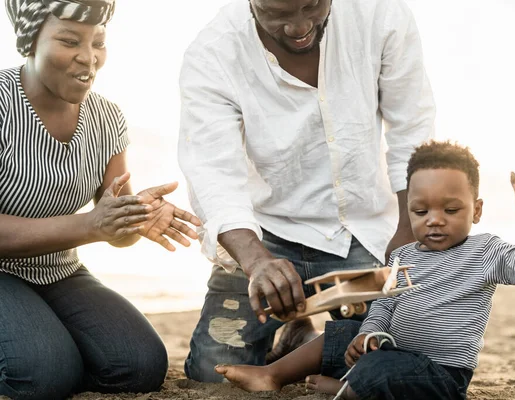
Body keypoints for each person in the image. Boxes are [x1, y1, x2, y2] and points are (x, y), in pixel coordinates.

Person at [178, 0, 436, 381]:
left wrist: (406, 234)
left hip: (365, 231)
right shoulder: (213, 52)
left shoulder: (381, 14)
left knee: (399, 360)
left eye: (312, 5)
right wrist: (257, 262)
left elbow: (411, 129)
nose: (299, 27)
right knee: (212, 374)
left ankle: (301, 342)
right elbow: (213, 173)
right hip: (264, 236)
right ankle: (296, 335)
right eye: (278, 15)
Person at [214, 140, 515, 400]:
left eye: (451, 209)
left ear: (476, 210)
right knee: (343, 333)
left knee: (384, 369)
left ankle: (348, 390)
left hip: (440, 373)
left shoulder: (484, 252)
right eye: (420, 212)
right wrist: (368, 335)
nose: (434, 220)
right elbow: (384, 305)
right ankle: (272, 374)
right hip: (391, 349)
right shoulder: (404, 255)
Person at [0, 1, 202, 399]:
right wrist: (91, 225)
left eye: (99, 43)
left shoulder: (107, 119)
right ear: (31, 39)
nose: (88, 57)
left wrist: (135, 217)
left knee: (141, 365)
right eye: (70, 40)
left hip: (59, 271)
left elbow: (116, 229)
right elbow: (93, 225)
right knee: (43, 375)